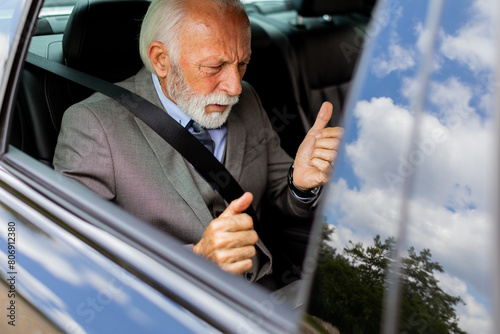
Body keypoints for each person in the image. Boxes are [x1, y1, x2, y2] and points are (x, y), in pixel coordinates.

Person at [53, 0, 343, 283]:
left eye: (242, 63)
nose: (234, 87)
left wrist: (301, 184)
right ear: (161, 60)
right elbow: (79, 254)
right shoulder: (93, 125)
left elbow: (281, 193)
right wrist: (196, 261)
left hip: (264, 292)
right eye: (214, 67)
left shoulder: (248, 99)